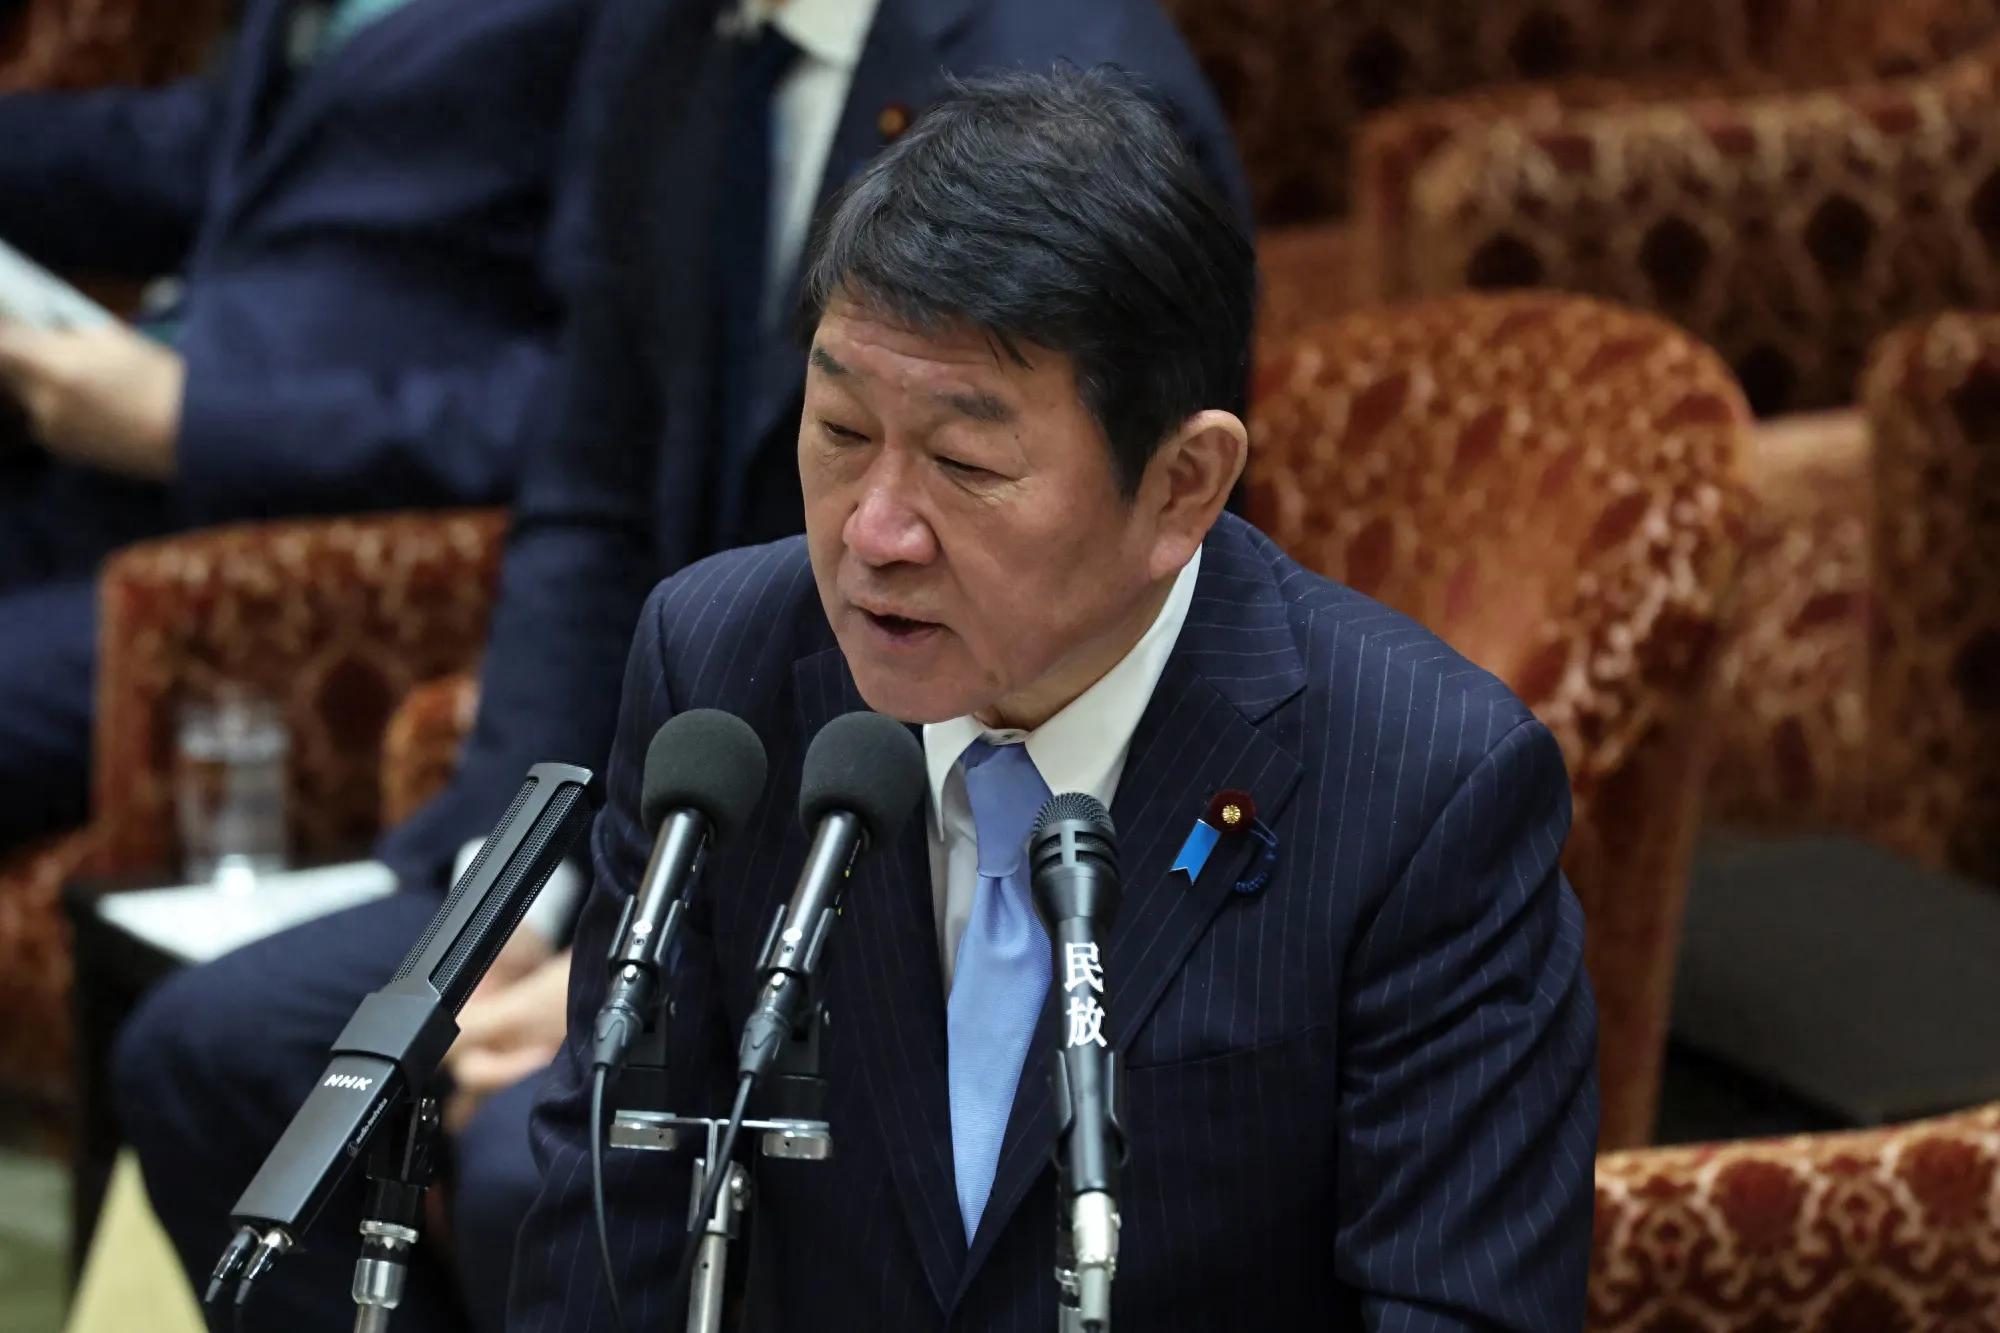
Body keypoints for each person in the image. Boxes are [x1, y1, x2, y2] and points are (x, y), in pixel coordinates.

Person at [111, 4, 1246, 1331]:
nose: (875, 517)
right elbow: (593, 489)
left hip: (919, 833)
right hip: (672, 797)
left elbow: (1086, 626)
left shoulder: (1076, 71)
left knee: (558, 1162)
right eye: (839, 430)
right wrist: (526, 892)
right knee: (214, 1052)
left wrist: (660, 992)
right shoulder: (667, 38)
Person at [511, 68, 1599, 1332]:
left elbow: (1454, 1306)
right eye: (841, 431)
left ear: (1182, 486)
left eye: (964, 464)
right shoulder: (720, 676)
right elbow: (612, 1235)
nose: (873, 533)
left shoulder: (1422, 787)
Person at [0, 0, 591, 849]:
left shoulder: (643, 33)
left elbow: (581, 405)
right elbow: (228, 154)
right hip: (98, 482)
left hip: (276, 563)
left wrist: (193, 421)